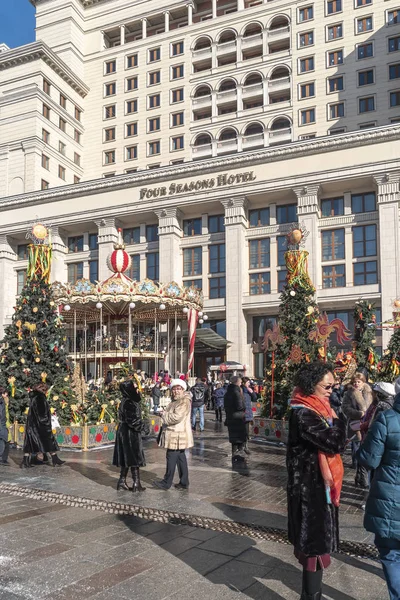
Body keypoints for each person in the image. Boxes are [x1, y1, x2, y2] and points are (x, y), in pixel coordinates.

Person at [287, 362, 347, 600]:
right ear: (312, 385)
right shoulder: (304, 413)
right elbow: (335, 443)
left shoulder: (316, 409)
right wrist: (339, 420)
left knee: (315, 552)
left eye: (333, 386)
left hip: (315, 488)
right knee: (313, 549)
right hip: (309, 493)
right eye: (327, 386)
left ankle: (311, 594)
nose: (331, 390)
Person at [357, 391, 400, 600]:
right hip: (389, 498)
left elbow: (369, 460)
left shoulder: (387, 419)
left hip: (389, 500)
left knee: (391, 555)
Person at [153, 379, 193, 490]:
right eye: (174, 389)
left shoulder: (183, 401)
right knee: (181, 458)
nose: (176, 391)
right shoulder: (176, 400)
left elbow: (176, 417)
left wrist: (164, 415)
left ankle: (166, 482)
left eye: (178, 389)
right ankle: (184, 482)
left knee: (171, 457)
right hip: (176, 433)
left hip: (177, 434)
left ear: (183, 389)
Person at [112, 379, 146, 492]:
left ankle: (122, 482)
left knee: (127, 458)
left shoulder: (128, 400)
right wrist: (143, 427)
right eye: (134, 387)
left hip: (125, 432)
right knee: (133, 458)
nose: (137, 389)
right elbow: (132, 420)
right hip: (129, 433)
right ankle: (136, 483)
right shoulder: (129, 402)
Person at [21, 383, 65, 468]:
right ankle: (55, 459)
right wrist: (46, 422)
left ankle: (25, 462)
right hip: (40, 426)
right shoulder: (40, 398)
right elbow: (41, 413)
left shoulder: (34, 397)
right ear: (43, 390)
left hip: (33, 425)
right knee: (48, 441)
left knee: (31, 443)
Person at [342, 372, 372, 487]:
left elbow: (374, 405)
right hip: (355, 425)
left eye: (358, 382)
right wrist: (358, 413)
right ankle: (362, 478)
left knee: (365, 450)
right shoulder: (349, 393)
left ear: (363, 382)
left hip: (368, 425)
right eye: (354, 382)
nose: (356, 384)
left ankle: (360, 477)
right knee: (358, 450)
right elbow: (345, 408)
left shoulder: (369, 392)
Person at [224, 375, 246, 461]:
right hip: (238, 417)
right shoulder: (236, 392)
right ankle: (239, 454)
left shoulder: (227, 392)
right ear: (237, 382)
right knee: (240, 436)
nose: (241, 384)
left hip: (230, 416)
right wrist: (244, 407)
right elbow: (239, 406)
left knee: (233, 437)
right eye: (240, 382)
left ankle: (234, 454)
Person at [242, 377, 257, 455]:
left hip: (247, 413)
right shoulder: (240, 390)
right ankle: (242, 447)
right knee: (242, 431)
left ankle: (245, 446)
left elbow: (255, 398)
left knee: (246, 431)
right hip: (242, 414)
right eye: (247, 382)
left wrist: (252, 392)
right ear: (244, 383)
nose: (249, 384)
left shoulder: (248, 391)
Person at [0, 387, 11, 466]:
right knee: (3, 441)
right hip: (3, 424)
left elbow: (5, 414)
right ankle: (3, 459)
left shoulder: (4, 401)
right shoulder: (1, 401)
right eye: (5, 393)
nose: (7, 394)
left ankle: (4, 459)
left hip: (5, 423)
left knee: (6, 441)